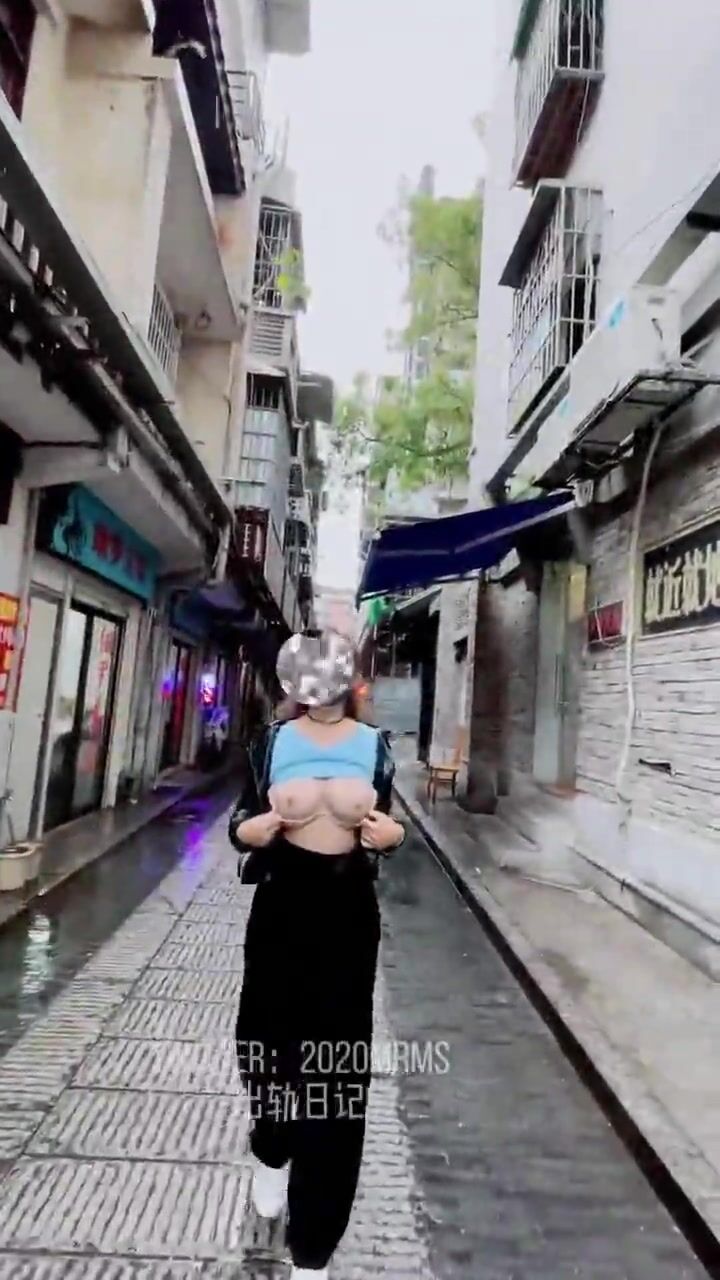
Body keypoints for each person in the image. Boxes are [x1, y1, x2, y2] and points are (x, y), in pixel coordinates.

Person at [228, 630, 405, 1280]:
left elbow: (389, 826)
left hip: (347, 912)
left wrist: (392, 836)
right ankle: (272, 1145)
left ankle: (313, 1250)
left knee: (337, 1076)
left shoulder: (375, 746)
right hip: (281, 905)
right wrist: (251, 831)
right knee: (264, 1049)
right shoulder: (271, 742)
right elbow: (240, 824)